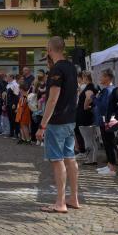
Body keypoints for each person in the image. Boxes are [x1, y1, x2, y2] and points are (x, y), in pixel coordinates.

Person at [35, 36, 80, 213]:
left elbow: (52, 99)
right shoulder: (71, 67)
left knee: (57, 160)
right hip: (70, 119)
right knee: (70, 158)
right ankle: (73, 198)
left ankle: (60, 203)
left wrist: (42, 125)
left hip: (57, 121)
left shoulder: (57, 69)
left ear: (49, 49)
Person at [95, 69, 118, 176]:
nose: (100, 78)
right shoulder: (111, 89)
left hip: (106, 120)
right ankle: (110, 165)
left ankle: (112, 168)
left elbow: (103, 106)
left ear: (108, 78)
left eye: (102, 76)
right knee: (108, 143)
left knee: (109, 143)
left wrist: (93, 98)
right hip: (108, 120)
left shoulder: (107, 90)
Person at [76, 71, 100, 165]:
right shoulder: (93, 87)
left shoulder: (89, 87)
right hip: (89, 115)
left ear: (85, 77)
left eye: (83, 77)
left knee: (87, 138)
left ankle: (90, 159)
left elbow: (89, 97)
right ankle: (93, 159)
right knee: (92, 139)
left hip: (84, 116)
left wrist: (85, 106)